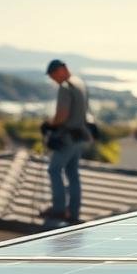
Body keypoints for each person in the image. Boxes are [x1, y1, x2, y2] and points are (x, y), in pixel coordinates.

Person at [41, 59, 90, 223]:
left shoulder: (66, 87)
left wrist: (49, 124)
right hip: (79, 136)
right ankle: (73, 211)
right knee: (72, 173)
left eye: (53, 74)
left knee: (54, 170)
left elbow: (62, 114)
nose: (53, 79)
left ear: (62, 70)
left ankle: (59, 209)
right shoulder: (79, 83)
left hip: (67, 136)